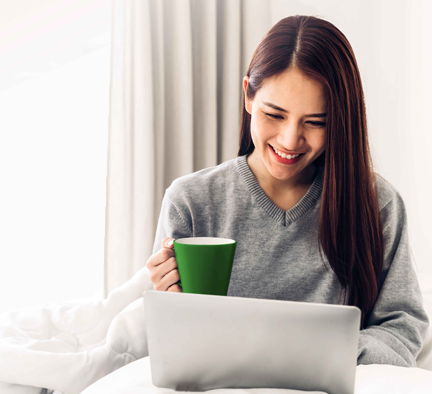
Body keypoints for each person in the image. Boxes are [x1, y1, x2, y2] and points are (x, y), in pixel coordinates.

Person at [145, 15, 429, 367]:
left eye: (315, 122)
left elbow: (402, 327)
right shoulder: (191, 202)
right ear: (248, 95)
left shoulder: (378, 204)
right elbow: (170, 346)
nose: (290, 140)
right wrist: (168, 306)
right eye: (275, 115)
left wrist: (327, 355)